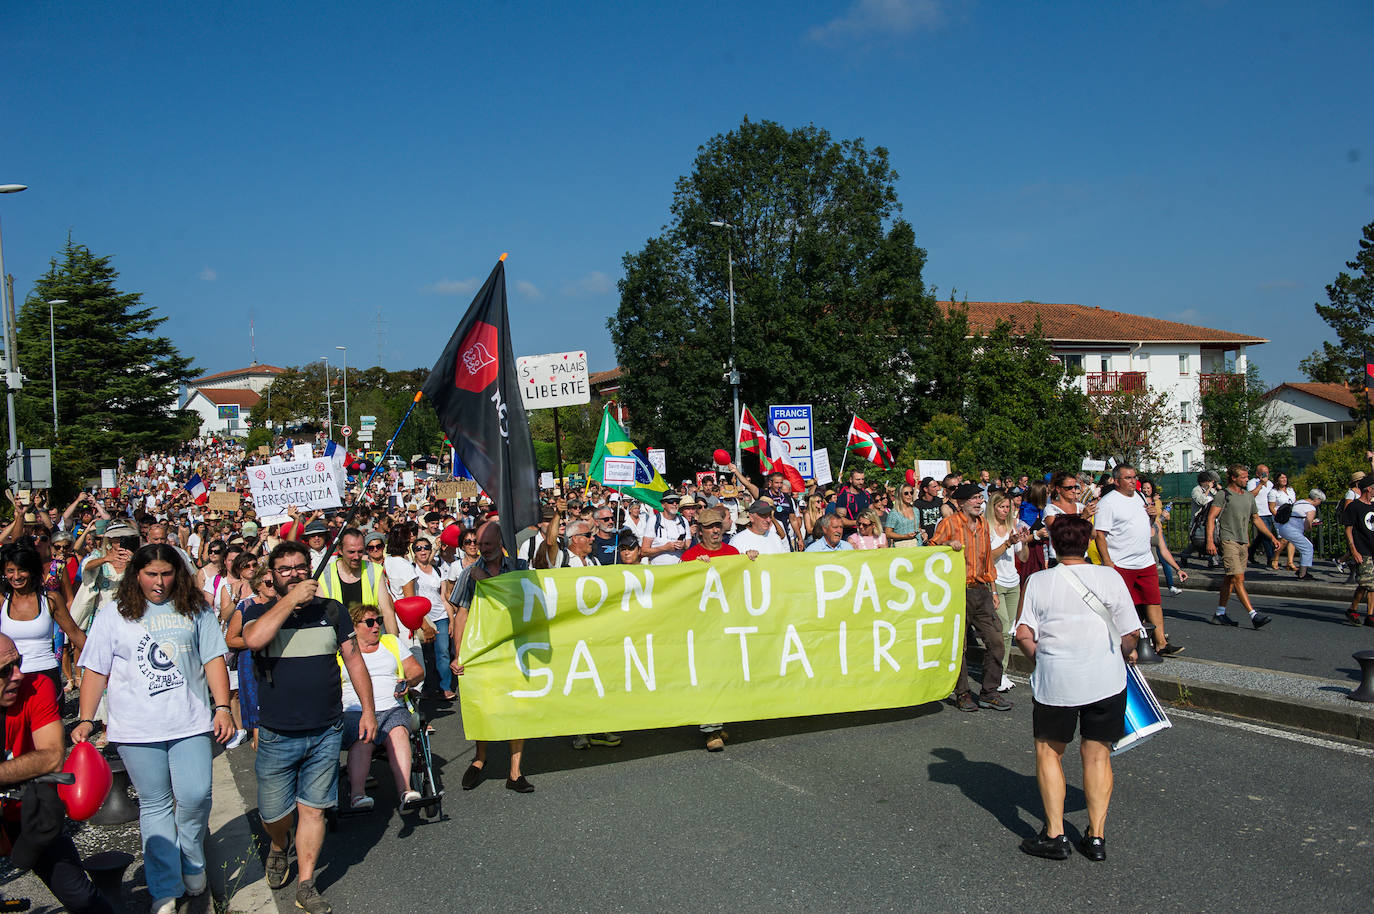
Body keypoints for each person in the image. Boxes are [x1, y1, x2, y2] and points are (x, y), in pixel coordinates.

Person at [73, 544, 234, 914]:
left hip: (190, 721)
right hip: (136, 729)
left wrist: (223, 707)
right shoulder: (113, 614)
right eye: (151, 574)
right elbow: (95, 669)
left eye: (166, 573)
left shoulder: (195, 609)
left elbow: (213, 658)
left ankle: (192, 859)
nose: (159, 582)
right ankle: (164, 887)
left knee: (195, 795)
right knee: (155, 804)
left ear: (177, 573)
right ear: (136, 575)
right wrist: (85, 717)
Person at [242, 541, 377, 914]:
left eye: (300, 567)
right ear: (272, 575)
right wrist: (290, 600)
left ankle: (306, 884)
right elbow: (253, 639)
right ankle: (279, 844)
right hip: (276, 733)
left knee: (314, 809)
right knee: (274, 815)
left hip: (325, 730)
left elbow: (354, 660)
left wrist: (368, 711)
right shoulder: (259, 612)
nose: (294, 574)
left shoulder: (332, 611)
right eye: (284, 569)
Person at [1014, 516, 1139, 862]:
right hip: (1106, 678)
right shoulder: (1110, 577)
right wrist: (1121, 654)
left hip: (1056, 680)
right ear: (1087, 544)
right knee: (1097, 755)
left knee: (1049, 752)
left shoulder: (1039, 581)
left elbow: (1023, 633)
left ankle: (1055, 834)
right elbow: (1131, 633)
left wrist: (1041, 659)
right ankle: (1096, 836)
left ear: (1053, 544)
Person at [0, 631, 114, 913]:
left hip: (31, 811)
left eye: (18, 663)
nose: (18, 674)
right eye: (5, 671)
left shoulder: (36, 686)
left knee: (82, 899)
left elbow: (52, 757)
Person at [448, 522, 538, 790]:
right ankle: (480, 758)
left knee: (517, 706)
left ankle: (515, 772)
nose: (482, 549)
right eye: (478, 544)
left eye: (487, 544)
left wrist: (486, 582)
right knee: (483, 704)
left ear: (501, 543)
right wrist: (458, 654)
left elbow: (525, 601)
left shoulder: (520, 568)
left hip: (514, 648)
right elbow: (462, 614)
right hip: (482, 649)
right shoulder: (468, 574)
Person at [930, 483, 1012, 712]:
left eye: (980, 498)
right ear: (961, 503)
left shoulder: (983, 524)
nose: (979, 502)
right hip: (958, 590)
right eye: (974, 498)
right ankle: (963, 693)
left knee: (996, 641)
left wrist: (993, 590)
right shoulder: (949, 523)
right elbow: (931, 550)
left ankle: (989, 692)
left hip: (982, 590)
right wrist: (946, 544)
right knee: (960, 646)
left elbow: (987, 560)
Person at [339, 603, 424, 811]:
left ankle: (406, 790)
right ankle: (357, 795)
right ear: (354, 627)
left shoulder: (391, 642)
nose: (376, 626)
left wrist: (409, 682)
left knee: (399, 732)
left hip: (392, 707)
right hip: (355, 711)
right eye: (369, 622)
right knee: (364, 737)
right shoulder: (342, 650)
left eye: (378, 620)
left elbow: (416, 670)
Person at [1092, 465, 1183, 657]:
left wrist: (1152, 517)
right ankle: (1123, 646)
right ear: (1117, 481)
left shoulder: (1140, 496)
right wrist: (1107, 562)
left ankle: (1161, 643)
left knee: (1153, 601)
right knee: (1124, 606)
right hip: (1121, 562)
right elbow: (1100, 535)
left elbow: (1145, 525)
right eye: (1128, 478)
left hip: (1144, 560)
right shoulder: (1108, 502)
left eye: (1134, 477)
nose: (1133, 481)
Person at [0, 544, 87, 694]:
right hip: (11, 678)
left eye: (22, 570)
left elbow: (75, 633)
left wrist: (105, 666)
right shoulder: (2, 601)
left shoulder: (50, 599)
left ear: (32, 571)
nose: (16, 576)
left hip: (45, 673)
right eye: (10, 571)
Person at [1206, 465, 1279, 629]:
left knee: (1230, 578)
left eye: (1247, 477)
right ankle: (1253, 615)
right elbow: (1211, 517)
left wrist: (1272, 537)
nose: (1247, 480)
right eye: (1243, 477)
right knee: (1238, 578)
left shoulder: (1248, 496)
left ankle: (1220, 613)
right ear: (1233, 478)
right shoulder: (1223, 495)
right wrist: (1210, 541)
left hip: (1243, 542)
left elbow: (1256, 519)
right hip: (1228, 540)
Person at [987, 491, 1028, 690]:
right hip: (996, 582)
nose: (1005, 511)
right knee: (1002, 628)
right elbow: (988, 557)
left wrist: (1024, 542)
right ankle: (998, 674)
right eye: (1002, 507)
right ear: (993, 507)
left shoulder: (1012, 527)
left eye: (1008, 507)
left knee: (1009, 629)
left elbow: (1023, 557)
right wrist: (1007, 543)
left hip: (1013, 582)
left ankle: (1000, 672)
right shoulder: (987, 528)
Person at [1342, 477, 1374, 626]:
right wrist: (1353, 550)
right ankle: (1353, 609)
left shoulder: (1372, 506)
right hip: (1362, 549)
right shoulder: (1354, 506)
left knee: (1371, 584)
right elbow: (1348, 529)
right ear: (1368, 489)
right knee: (1367, 582)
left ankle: (1370, 614)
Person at [1280, 489, 1324, 581]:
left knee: (1305, 547)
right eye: (1320, 501)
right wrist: (1312, 525)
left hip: (1284, 527)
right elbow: (1307, 524)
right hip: (1292, 530)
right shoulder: (1311, 508)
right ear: (1317, 499)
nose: (1319, 504)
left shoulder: (1299, 502)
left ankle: (1301, 570)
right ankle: (1302, 574)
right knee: (1307, 548)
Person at [1246, 464, 1277, 566]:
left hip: (1269, 512)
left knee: (1263, 535)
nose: (1265, 474)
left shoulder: (1270, 484)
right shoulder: (1252, 482)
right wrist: (1260, 484)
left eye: (1267, 472)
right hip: (1259, 513)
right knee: (1267, 536)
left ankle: (1251, 552)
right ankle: (1271, 558)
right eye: (1263, 473)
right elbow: (1251, 495)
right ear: (1257, 473)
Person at [1266, 472, 1297, 570]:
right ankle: (1275, 558)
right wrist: (1279, 517)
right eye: (1282, 478)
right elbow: (1272, 507)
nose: (1284, 479)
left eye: (1285, 477)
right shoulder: (1273, 492)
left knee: (1292, 538)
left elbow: (1294, 502)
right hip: (1280, 518)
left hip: (1291, 517)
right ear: (1277, 480)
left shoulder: (1290, 490)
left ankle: (1290, 562)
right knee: (1283, 539)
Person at [884, 483, 920, 547]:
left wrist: (923, 533)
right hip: (902, 546)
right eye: (906, 493)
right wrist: (904, 536)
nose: (909, 495)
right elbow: (888, 533)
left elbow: (918, 527)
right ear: (900, 495)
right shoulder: (894, 513)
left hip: (918, 545)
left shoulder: (916, 510)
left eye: (911, 493)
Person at [912, 477, 945, 543]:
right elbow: (916, 524)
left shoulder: (939, 501)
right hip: (925, 541)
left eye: (937, 486)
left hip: (940, 539)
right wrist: (922, 534)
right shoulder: (917, 504)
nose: (938, 489)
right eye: (934, 487)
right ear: (926, 489)